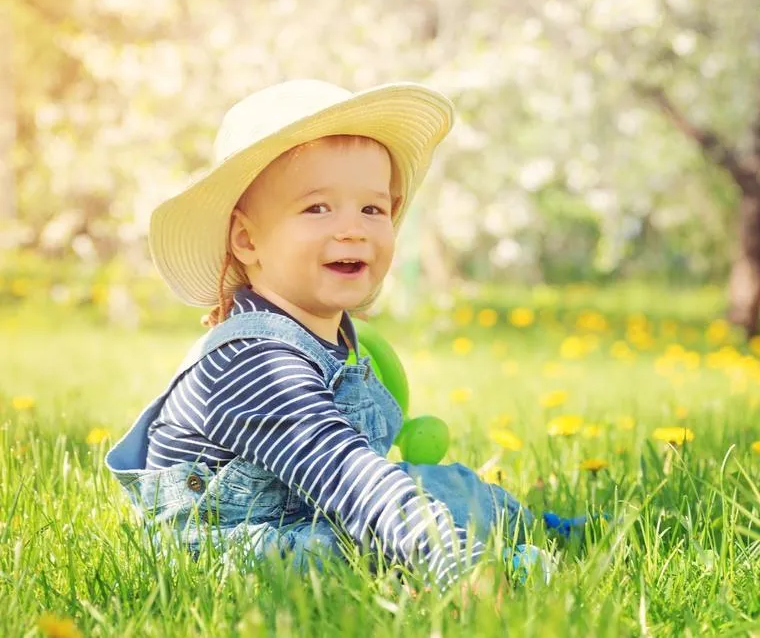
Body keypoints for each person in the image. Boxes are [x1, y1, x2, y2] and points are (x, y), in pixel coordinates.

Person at [105, 79, 584, 593]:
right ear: (247, 239)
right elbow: (350, 478)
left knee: (455, 489)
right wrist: (451, 560)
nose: (352, 229)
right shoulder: (255, 362)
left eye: (372, 209)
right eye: (317, 208)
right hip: (238, 546)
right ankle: (474, 565)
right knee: (342, 551)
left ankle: (544, 532)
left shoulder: (328, 335)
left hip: (316, 507)